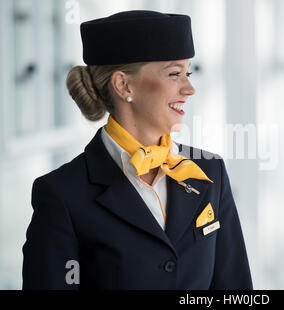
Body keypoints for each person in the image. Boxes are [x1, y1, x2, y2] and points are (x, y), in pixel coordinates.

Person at [22, 10, 252, 290]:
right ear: (123, 84)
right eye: (174, 74)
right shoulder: (63, 195)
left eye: (188, 73)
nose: (189, 88)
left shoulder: (209, 172)